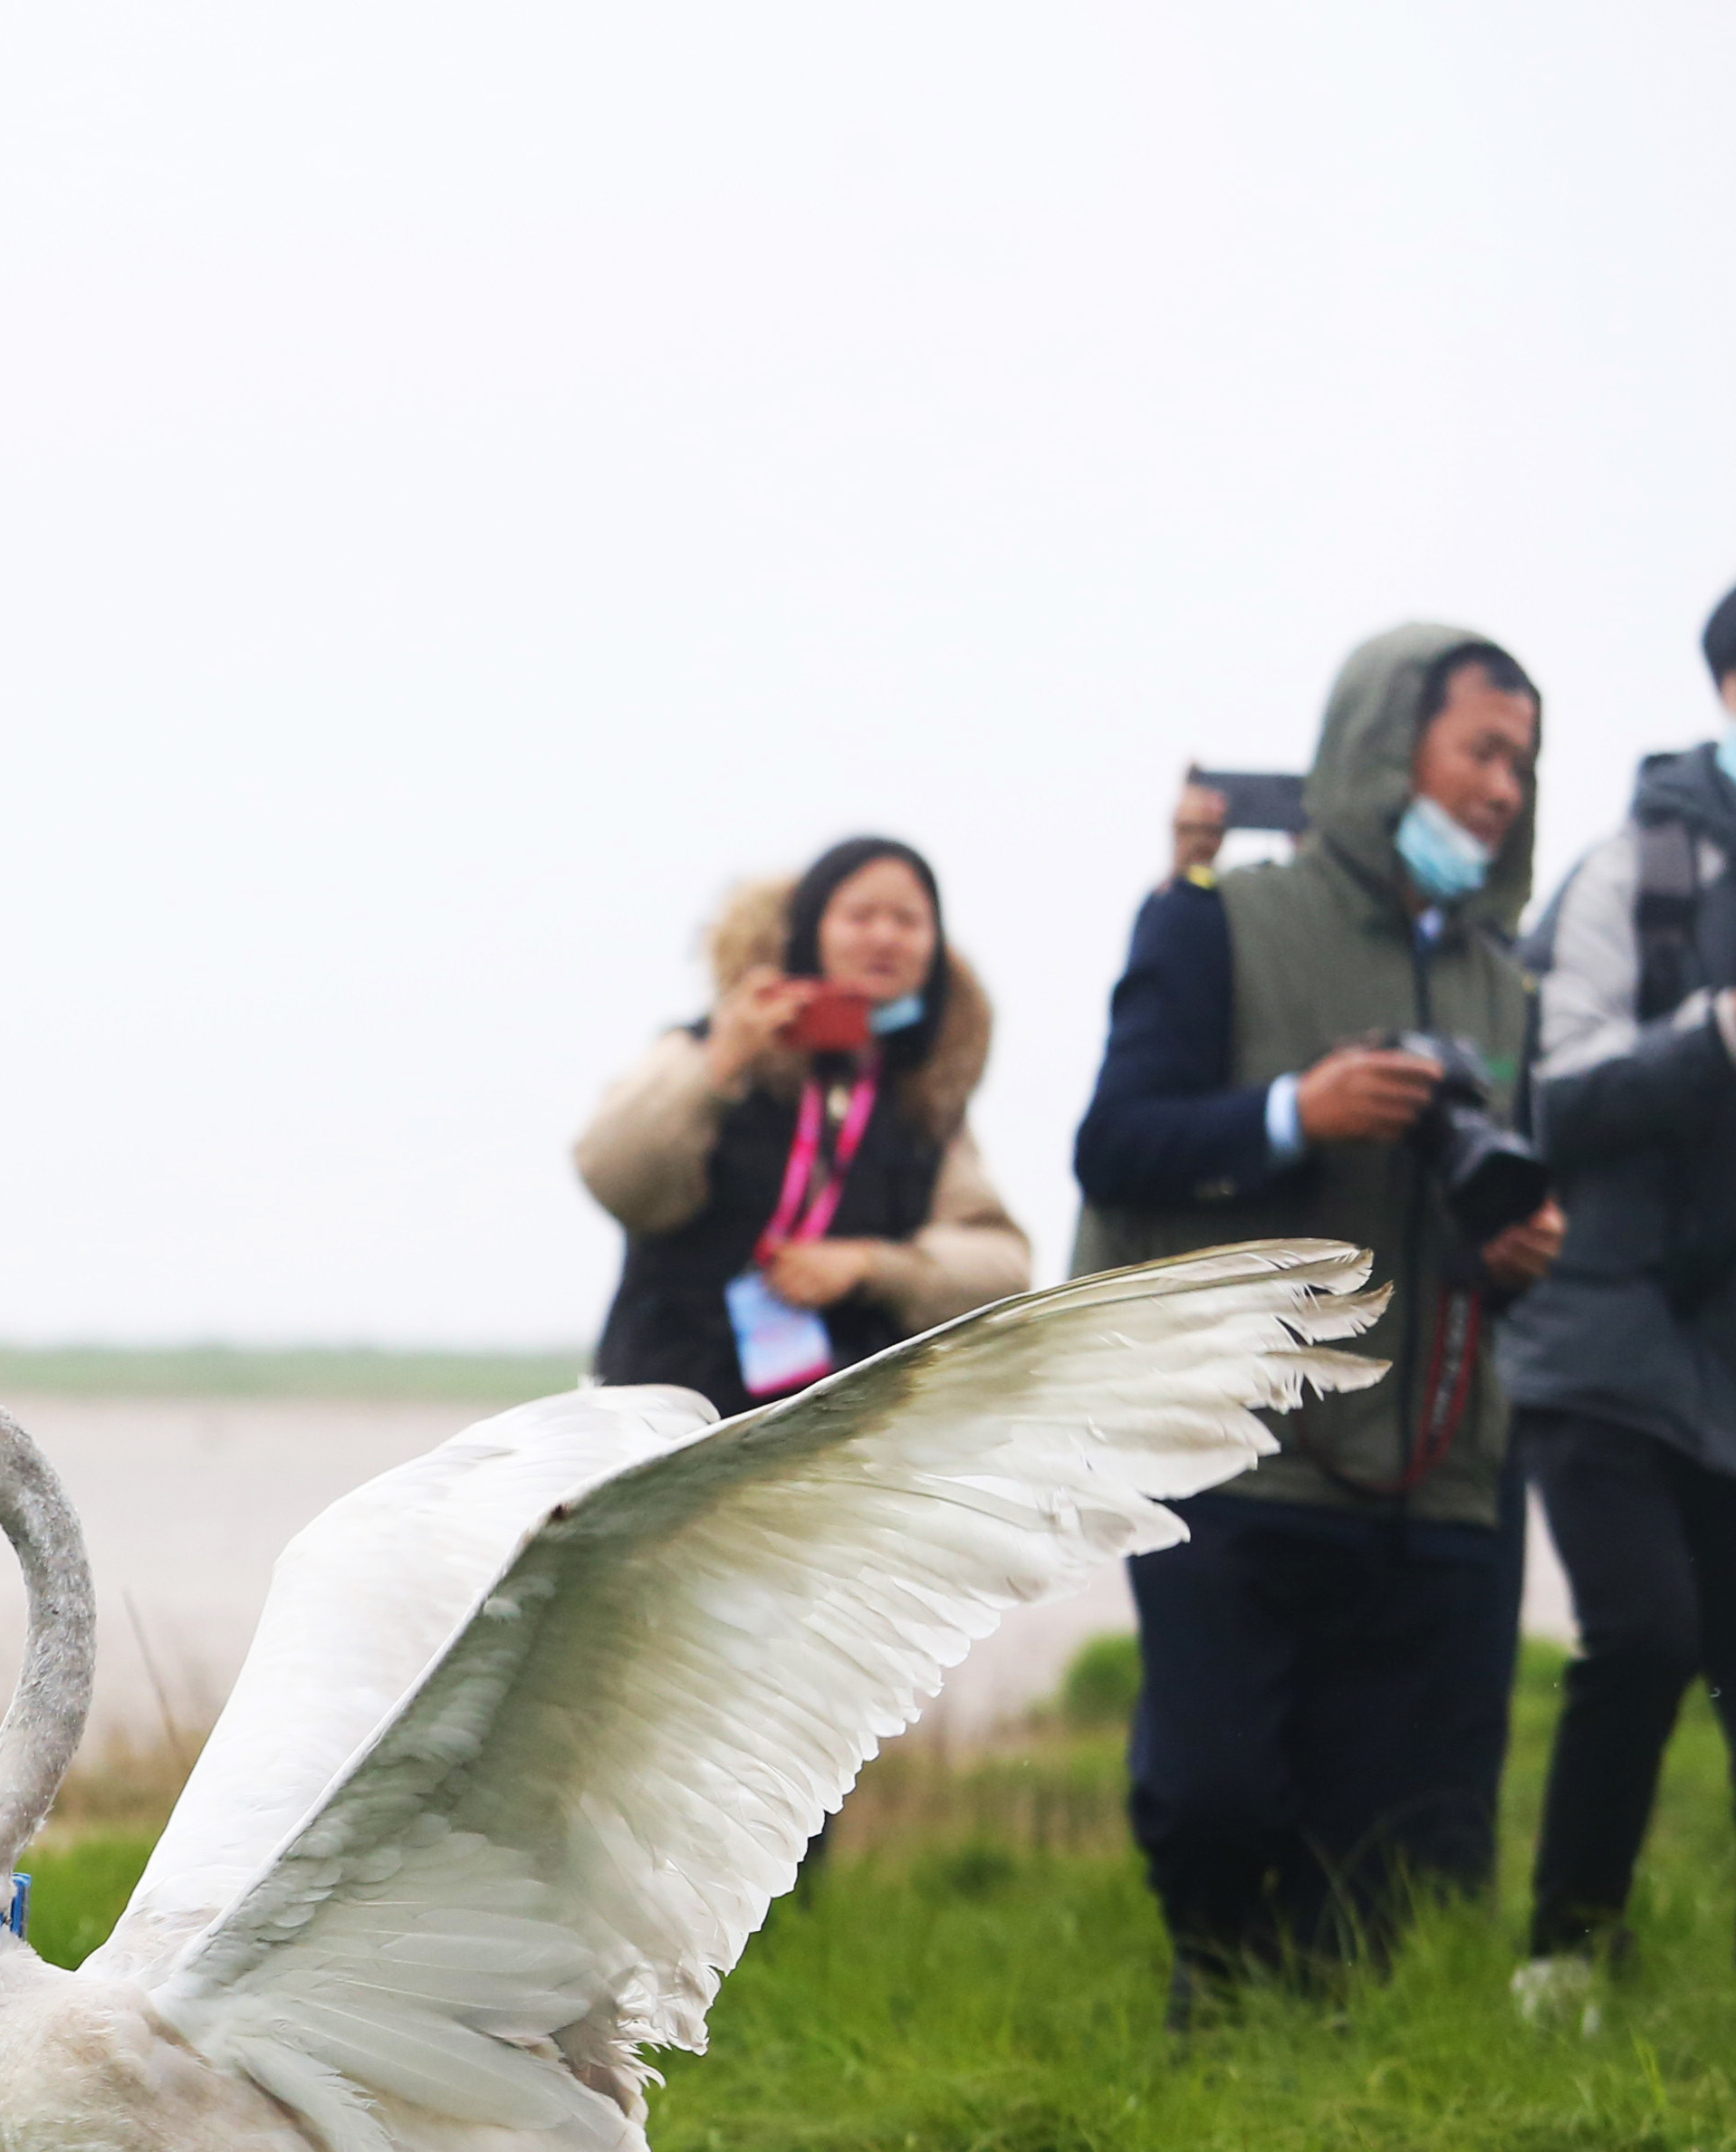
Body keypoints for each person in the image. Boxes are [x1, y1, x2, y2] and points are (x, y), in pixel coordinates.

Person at [1073, 622, 1565, 2016]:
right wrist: (1300, 1112)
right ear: (1378, 748)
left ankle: (1338, 2121)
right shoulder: (1214, 920)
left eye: (1523, 763)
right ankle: (1211, 2029)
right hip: (1238, 1453)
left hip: (1438, 1467)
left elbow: (1500, 1184)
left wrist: (1525, 1242)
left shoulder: (1504, 977)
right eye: (1480, 748)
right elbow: (1115, 1145)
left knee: (1409, 1856)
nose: (1504, 789)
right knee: (1220, 1798)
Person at [1500, 556, 1736, 2011]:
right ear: (1719, 691)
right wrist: (1724, 1032)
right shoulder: (1630, 862)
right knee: (1643, 1637)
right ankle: (1567, 1958)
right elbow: (1554, 1095)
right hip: (1609, 1336)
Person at [575, 838, 1032, 1414]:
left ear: (934, 948)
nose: (885, 936)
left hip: (830, 1428)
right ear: (811, 929)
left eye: (909, 920)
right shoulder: (707, 1047)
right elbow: (615, 1178)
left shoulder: (925, 1098)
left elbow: (1003, 1267)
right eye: (860, 915)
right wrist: (720, 1061)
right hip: (664, 1406)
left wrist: (873, 1266)